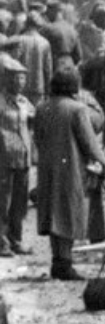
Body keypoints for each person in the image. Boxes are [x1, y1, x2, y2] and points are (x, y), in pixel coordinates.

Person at [34, 67, 105, 280]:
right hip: (71, 168)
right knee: (68, 212)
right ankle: (65, 264)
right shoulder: (77, 109)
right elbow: (89, 142)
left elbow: (37, 138)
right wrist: (104, 165)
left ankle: (57, 261)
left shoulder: (41, 107)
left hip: (48, 167)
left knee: (52, 213)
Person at [0, 55, 35, 257]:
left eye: (22, 79)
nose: (20, 82)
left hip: (23, 157)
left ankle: (16, 239)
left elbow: (34, 117)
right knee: (2, 203)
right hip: (4, 158)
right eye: (15, 78)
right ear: (6, 79)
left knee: (20, 204)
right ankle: (2, 242)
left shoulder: (24, 101)